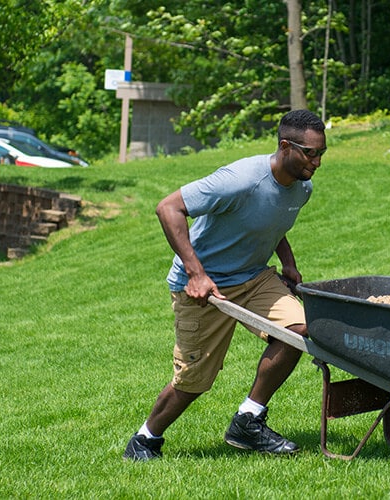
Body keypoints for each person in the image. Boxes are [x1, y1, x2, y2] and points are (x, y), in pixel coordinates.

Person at [123, 109, 328, 461]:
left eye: (321, 152)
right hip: (205, 288)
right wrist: (196, 273)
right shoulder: (241, 178)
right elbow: (168, 208)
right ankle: (145, 440)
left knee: (298, 332)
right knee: (194, 380)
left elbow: (273, 222)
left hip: (254, 276)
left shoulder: (301, 187)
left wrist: (289, 263)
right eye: (310, 153)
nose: (317, 162)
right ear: (284, 146)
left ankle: (248, 419)